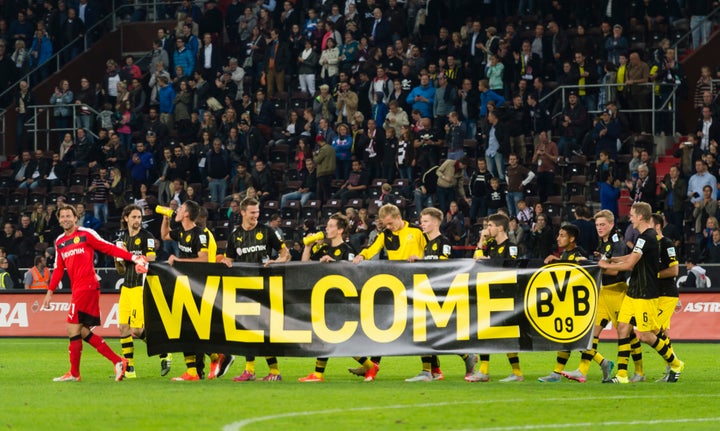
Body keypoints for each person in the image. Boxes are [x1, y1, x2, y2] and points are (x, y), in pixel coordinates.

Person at [42, 204, 148, 382]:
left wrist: (133, 257)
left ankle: (75, 374)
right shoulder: (60, 241)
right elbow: (59, 268)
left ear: (76, 218)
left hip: (88, 286)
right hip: (78, 289)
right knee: (81, 331)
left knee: (72, 328)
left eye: (69, 216)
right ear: (59, 219)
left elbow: (108, 247)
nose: (66, 219)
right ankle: (118, 361)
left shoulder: (86, 233)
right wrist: (49, 292)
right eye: (62, 216)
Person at [598, 202, 685, 383]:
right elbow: (631, 258)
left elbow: (630, 265)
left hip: (646, 293)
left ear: (640, 216)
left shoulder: (647, 238)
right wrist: (612, 259)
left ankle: (675, 363)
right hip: (634, 291)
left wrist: (605, 265)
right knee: (623, 328)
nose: (629, 218)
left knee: (646, 335)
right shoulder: (643, 237)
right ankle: (622, 375)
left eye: (631, 215)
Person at [351, 204, 426, 382]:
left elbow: (431, 252)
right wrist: (362, 255)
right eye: (386, 225)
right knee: (385, 326)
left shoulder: (416, 231)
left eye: (391, 223)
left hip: (419, 285)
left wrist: (420, 259)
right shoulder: (385, 234)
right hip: (399, 287)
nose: (389, 227)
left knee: (423, 328)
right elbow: (372, 249)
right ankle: (373, 367)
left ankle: (459, 358)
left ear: (399, 217)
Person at [404, 207, 478, 382]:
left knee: (438, 333)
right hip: (427, 294)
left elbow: (442, 267)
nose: (423, 224)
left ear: (436, 222)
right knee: (425, 332)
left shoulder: (443, 242)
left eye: (426, 221)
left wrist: (421, 261)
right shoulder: (428, 245)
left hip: (441, 296)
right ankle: (430, 371)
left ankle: (464, 357)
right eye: (422, 221)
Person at [221, 197, 290, 382]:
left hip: (265, 288)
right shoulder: (235, 236)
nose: (255, 216)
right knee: (247, 330)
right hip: (245, 289)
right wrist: (226, 261)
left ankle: (274, 372)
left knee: (263, 330)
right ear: (242, 212)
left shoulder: (267, 231)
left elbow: (286, 253)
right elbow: (229, 259)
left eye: (257, 212)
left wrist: (278, 261)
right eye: (252, 212)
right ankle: (250, 370)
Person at [297, 213, 372, 382]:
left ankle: (319, 374)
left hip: (342, 302)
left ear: (340, 230)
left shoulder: (348, 250)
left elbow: (354, 274)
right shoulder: (323, 248)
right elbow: (303, 266)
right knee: (330, 338)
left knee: (332, 337)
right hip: (325, 300)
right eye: (327, 225)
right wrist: (308, 246)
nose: (327, 229)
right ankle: (368, 365)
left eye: (331, 226)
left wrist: (336, 264)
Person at [537, 224, 613, 383]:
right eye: (558, 235)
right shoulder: (566, 254)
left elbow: (587, 270)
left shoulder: (579, 255)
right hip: (567, 303)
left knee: (574, 338)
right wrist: (557, 260)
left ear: (572, 239)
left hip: (579, 306)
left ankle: (601, 363)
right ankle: (601, 363)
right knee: (567, 338)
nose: (558, 238)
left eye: (562, 235)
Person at [160, 200, 211, 381]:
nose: (177, 211)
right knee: (184, 328)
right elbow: (165, 235)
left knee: (194, 329)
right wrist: (166, 218)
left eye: (180, 209)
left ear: (187, 214)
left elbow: (203, 259)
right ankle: (193, 371)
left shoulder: (200, 234)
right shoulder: (180, 231)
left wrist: (179, 261)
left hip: (197, 285)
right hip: (183, 284)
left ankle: (199, 369)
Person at [468, 213, 522, 382]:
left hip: (505, 295)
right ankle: (484, 371)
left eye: (490, 225)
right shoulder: (489, 244)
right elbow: (476, 258)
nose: (487, 229)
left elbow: (510, 266)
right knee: (484, 332)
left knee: (508, 335)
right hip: (488, 293)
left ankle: (517, 373)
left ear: (500, 228)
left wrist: (489, 261)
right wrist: (480, 243)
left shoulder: (511, 246)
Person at [115, 204, 159, 379]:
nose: (137, 220)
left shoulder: (146, 236)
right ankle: (130, 368)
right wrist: (118, 259)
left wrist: (129, 256)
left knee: (137, 330)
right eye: (133, 217)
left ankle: (163, 351)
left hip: (140, 287)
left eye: (139, 217)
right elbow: (120, 270)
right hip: (126, 286)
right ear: (126, 218)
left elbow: (152, 257)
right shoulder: (122, 238)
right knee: (123, 328)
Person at [651, 213, 680, 382]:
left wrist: (654, 275)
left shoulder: (667, 244)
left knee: (654, 330)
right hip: (656, 294)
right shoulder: (652, 245)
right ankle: (671, 367)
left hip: (666, 294)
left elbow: (674, 271)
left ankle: (674, 364)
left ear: (657, 226)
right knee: (662, 332)